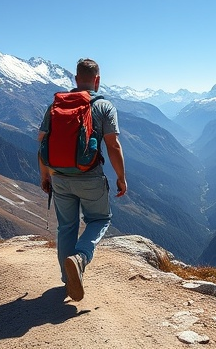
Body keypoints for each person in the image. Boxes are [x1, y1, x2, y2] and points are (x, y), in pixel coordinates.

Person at [38, 58, 127, 301]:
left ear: (76, 79)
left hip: (59, 177)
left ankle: (69, 281)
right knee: (100, 219)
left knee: (66, 226)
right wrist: (121, 177)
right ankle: (80, 258)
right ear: (97, 80)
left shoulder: (56, 105)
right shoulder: (104, 106)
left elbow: (42, 142)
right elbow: (113, 145)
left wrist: (46, 175)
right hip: (90, 177)